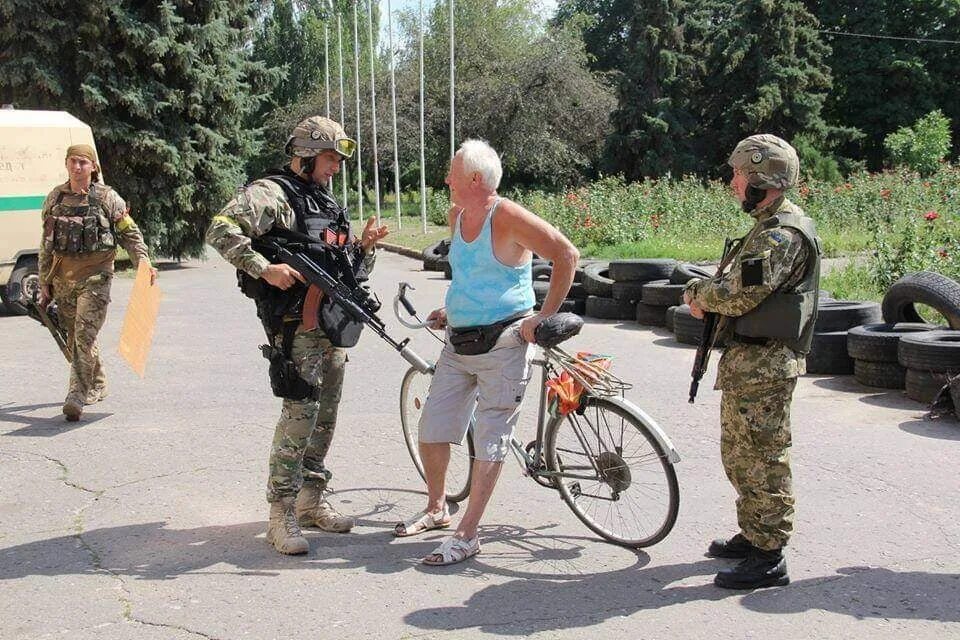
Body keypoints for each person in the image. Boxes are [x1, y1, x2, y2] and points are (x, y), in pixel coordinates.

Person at [206, 116, 388, 555]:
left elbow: (348, 273)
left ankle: (311, 500)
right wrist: (262, 267)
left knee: (326, 414)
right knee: (300, 414)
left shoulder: (325, 202)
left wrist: (365, 247)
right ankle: (281, 512)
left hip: (332, 325)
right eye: (329, 158)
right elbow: (219, 229)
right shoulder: (272, 194)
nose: (336, 168)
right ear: (305, 156)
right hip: (296, 325)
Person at [393, 139, 579, 566]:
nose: (446, 180)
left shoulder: (508, 216)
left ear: (475, 179)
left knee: (491, 439)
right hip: (460, 342)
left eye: (452, 173)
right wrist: (450, 308)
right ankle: (437, 507)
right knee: (433, 426)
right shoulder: (458, 216)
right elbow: (470, 275)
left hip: (505, 343)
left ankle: (468, 533)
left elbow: (567, 255)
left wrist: (542, 318)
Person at [683, 134, 821, 590]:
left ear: (763, 180)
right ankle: (754, 533)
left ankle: (769, 555)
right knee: (741, 454)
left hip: (767, 364)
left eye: (739, 176)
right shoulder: (767, 227)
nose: (733, 184)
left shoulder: (781, 234)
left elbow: (739, 294)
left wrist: (698, 295)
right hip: (751, 363)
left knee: (763, 458)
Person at [37, 144, 157, 422]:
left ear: (93, 167)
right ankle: (98, 381)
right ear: (66, 164)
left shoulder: (106, 197)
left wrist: (143, 260)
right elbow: (45, 243)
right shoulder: (55, 197)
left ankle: (76, 395)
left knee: (83, 334)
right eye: (72, 162)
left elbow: (130, 232)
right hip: (63, 278)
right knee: (77, 336)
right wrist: (45, 280)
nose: (77, 167)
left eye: (82, 162)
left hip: (97, 276)